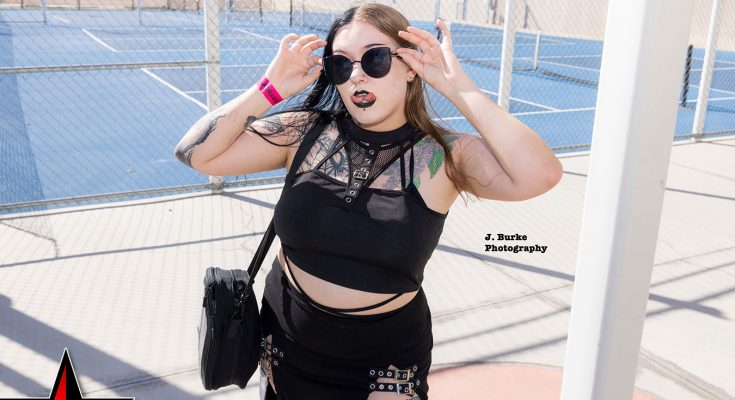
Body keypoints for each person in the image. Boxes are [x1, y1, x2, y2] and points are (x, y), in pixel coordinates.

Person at [174, 4, 562, 399]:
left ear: (410, 66)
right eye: (341, 65)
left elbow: (540, 174)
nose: (356, 74)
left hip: (384, 369)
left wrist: (456, 87)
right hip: (284, 349)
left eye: (375, 59)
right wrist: (269, 89)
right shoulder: (304, 132)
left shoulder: (445, 155)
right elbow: (196, 154)